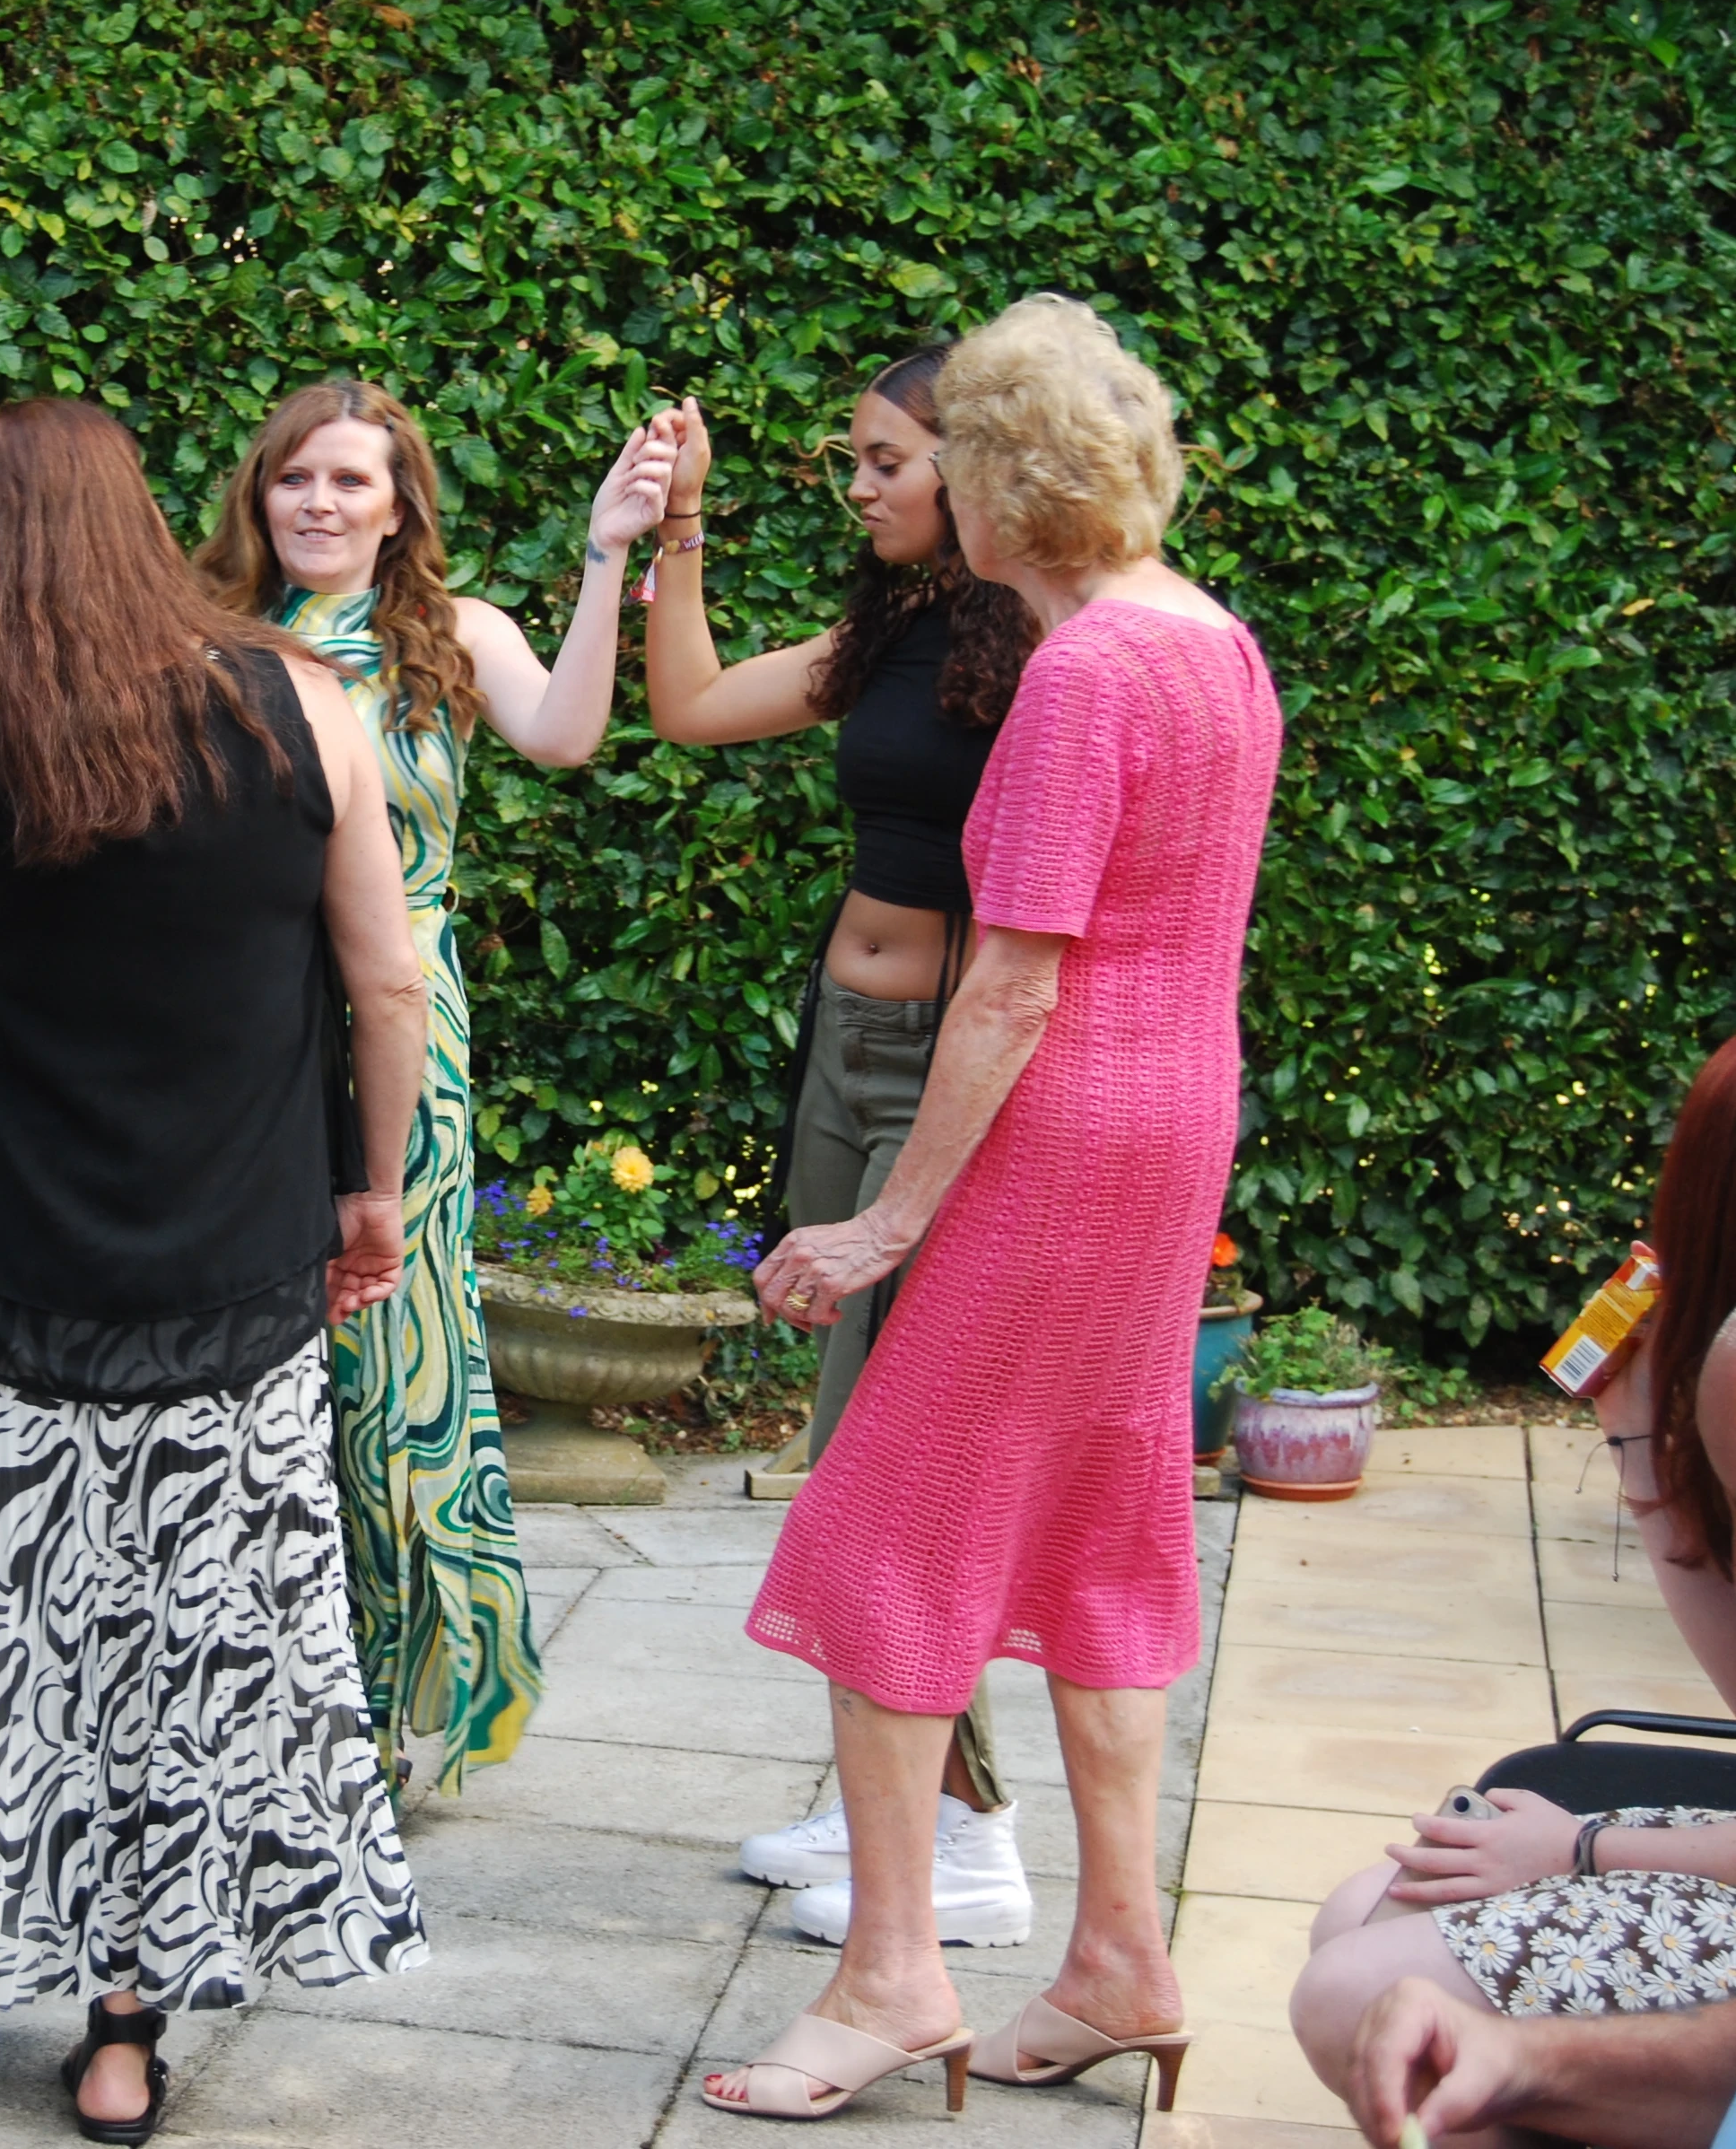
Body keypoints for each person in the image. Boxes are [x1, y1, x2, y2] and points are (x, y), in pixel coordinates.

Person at [0, 396, 434, 2143]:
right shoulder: (304, 708)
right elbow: (386, 984)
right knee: (186, 1663)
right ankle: (121, 2047)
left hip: (2, 1286)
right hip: (232, 1286)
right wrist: (371, 1194)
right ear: (149, 517)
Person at [702, 293, 1282, 2119]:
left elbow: (1013, 984)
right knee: (1106, 1522)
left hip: (1059, 1133)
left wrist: (881, 1224)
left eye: (944, 454)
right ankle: (1118, 1958)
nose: (927, 485)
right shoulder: (1215, 642)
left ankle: (891, 1975)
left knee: (885, 1531)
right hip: (1173, 1124)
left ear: (1002, 483)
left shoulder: (1081, 674)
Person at [1292, 1017, 1736, 2104]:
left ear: (1712, 1203)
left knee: (1353, 1990)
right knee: (1351, 1920)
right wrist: (1633, 1430)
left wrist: (1578, 1847)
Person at [195, 379, 675, 1792]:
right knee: (255, 1354)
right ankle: (261, 1680)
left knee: (399, 1360)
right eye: (295, 477)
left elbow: (565, 736)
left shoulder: (456, 635)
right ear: (259, 493)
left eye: (351, 479)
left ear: (401, 504)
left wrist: (607, 554)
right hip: (245, 1025)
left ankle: (398, 1695)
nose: (319, 502)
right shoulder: (208, 633)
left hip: (408, 1030)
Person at [639, 354, 1041, 1941]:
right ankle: (904, 1795)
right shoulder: (891, 632)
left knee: (887, 1440)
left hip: (945, 1060)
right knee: (853, 1419)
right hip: (846, 1043)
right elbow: (687, 709)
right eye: (852, 460)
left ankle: (973, 1838)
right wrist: (680, 527)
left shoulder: (1049, 651)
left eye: (886, 460)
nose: (861, 486)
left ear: (974, 464)